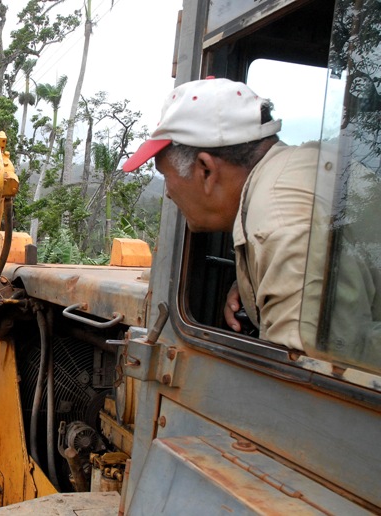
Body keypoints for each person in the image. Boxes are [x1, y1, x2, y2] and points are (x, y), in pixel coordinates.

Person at [122, 77, 320, 352]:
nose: (167, 192)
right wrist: (251, 284)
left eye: (166, 176)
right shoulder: (299, 171)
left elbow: (294, 387)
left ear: (205, 169)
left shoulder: (278, 229)